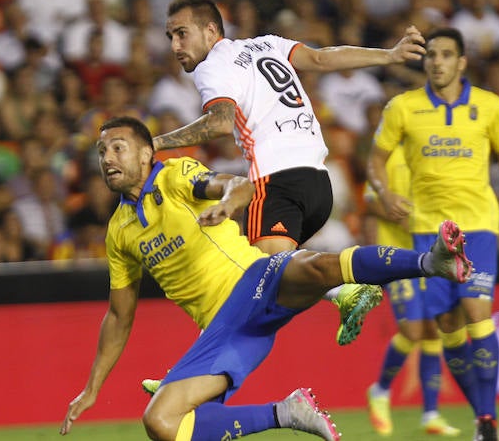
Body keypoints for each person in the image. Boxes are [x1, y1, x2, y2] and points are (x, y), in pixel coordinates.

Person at [60, 116, 473, 441]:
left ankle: (428, 261)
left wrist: (227, 203)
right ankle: (287, 411)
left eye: (118, 147)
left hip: (251, 281)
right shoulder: (119, 231)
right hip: (224, 331)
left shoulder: (173, 176)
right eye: (101, 151)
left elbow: (233, 183)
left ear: (148, 153)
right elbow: (118, 316)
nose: (108, 158)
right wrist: (92, 387)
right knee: (163, 423)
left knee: (314, 266)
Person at [152, 0, 426, 345]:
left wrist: (155, 143)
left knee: (256, 279)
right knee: (268, 287)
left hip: (276, 181)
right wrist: (388, 55)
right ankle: (193, 372)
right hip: (318, 184)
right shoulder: (267, 45)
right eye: (170, 37)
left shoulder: (211, 67)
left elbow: (220, 123)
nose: (175, 45)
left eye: (181, 33)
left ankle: (351, 287)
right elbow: (322, 58)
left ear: (209, 31)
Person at [366, 27, 499, 441]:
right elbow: (375, 161)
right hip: (427, 231)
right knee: (448, 328)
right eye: (431, 54)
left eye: (446, 54)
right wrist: (384, 192)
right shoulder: (402, 108)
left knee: (476, 312)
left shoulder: (490, 106)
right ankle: (481, 418)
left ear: (462, 62)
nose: (437, 61)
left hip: (479, 224)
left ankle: (488, 422)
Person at [362, 146, 460, 437]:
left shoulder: (438, 156)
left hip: (431, 253)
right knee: (414, 330)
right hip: (396, 255)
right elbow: (369, 202)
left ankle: (431, 414)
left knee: (432, 330)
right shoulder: (388, 158)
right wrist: (398, 215)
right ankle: (379, 391)